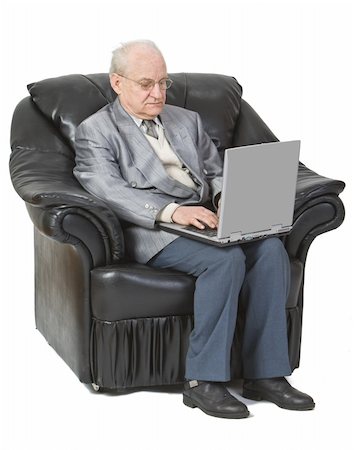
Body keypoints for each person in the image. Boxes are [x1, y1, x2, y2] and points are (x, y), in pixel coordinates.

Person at [74, 39, 315, 419]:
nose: (158, 93)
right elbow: (108, 190)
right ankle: (202, 382)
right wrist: (172, 212)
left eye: (164, 82)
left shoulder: (186, 119)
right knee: (226, 259)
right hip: (153, 229)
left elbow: (215, 171)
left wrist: (225, 200)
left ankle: (266, 375)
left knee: (270, 250)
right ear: (117, 83)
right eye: (146, 83)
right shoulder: (96, 131)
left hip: (207, 219)